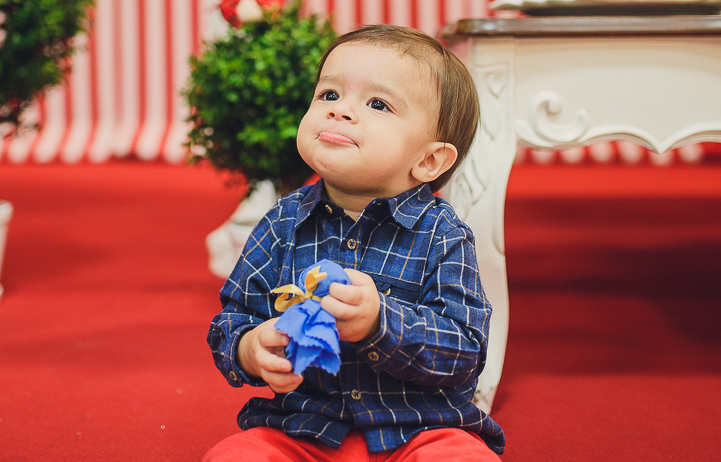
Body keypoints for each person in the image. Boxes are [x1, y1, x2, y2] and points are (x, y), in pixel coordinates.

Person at [205, 25, 505, 460]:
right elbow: (231, 318)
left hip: (419, 430)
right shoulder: (282, 223)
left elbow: (465, 351)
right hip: (302, 431)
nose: (340, 111)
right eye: (329, 95)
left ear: (429, 160)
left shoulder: (444, 235)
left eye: (377, 103)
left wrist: (381, 321)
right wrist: (250, 349)